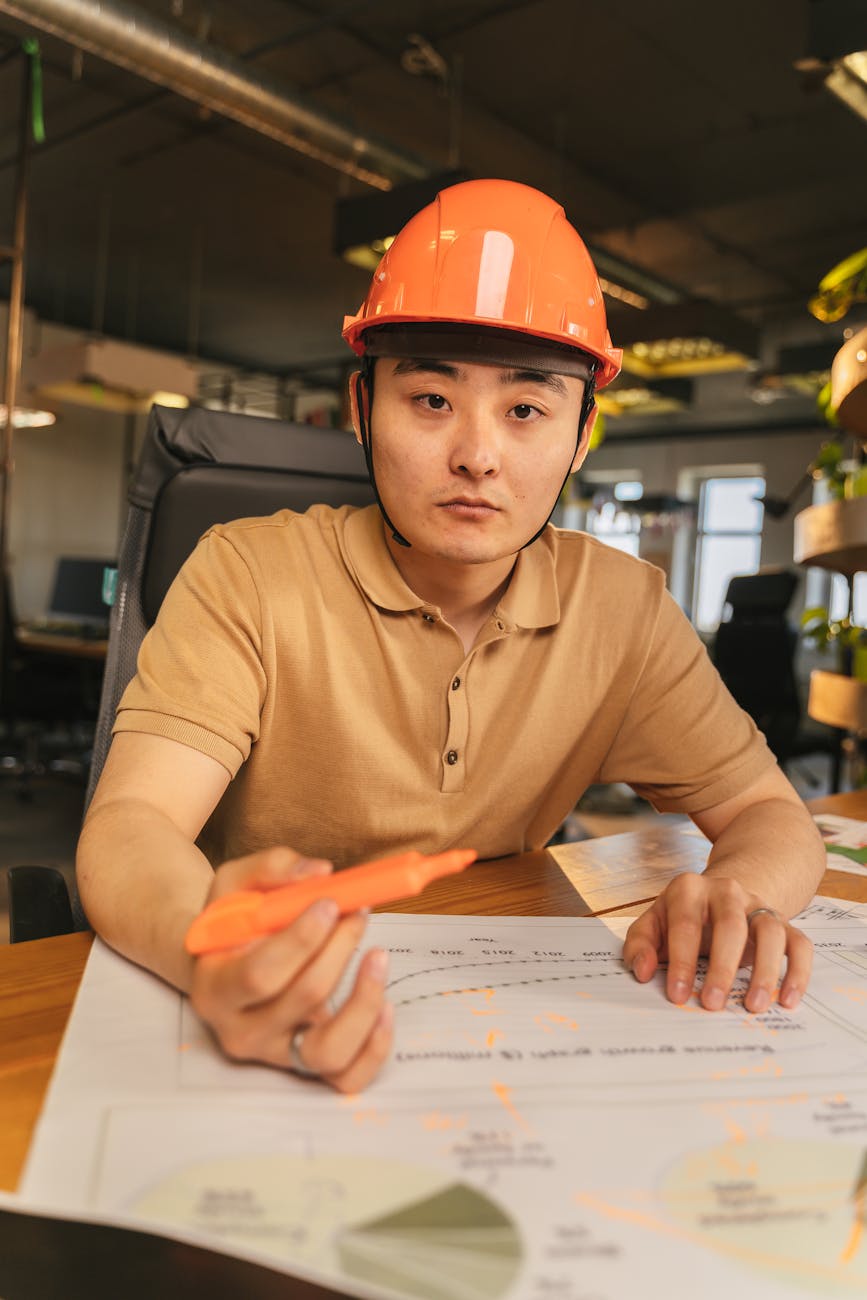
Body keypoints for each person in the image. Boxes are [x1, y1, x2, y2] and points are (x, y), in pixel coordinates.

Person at [76, 178, 825, 1094]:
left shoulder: (621, 609)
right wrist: (209, 948)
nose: (476, 453)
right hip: (270, 996)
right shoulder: (248, 572)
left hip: (494, 1020)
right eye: (430, 400)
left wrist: (737, 894)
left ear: (582, 434)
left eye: (525, 410)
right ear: (362, 409)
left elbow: (769, 815)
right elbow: (130, 828)